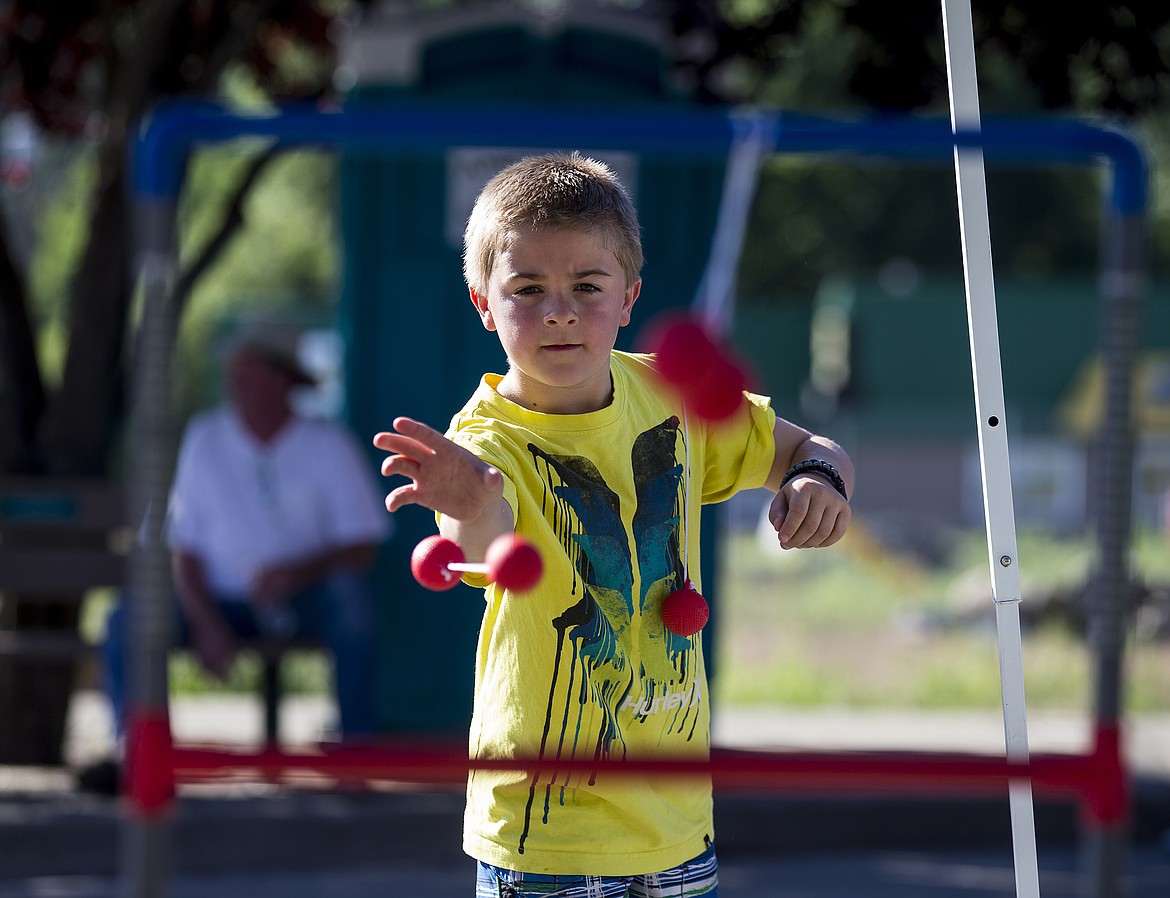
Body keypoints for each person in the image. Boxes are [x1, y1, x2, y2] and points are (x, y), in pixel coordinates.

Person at [373, 153, 853, 897]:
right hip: (544, 834)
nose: (558, 310)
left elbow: (809, 447)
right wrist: (467, 507)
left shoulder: (672, 393)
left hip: (676, 819)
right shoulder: (482, 443)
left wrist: (816, 481)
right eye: (527, 289)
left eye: (586, 288)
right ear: (482, 302)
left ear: (629, 296)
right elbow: (485, 546)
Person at [80, 316, 390, 794]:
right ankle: (137, 755)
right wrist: (205, 622)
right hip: (216, 600)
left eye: (251, 370)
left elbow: (362, 544)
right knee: (129, 618)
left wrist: (295, 573)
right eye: (235, 370)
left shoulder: (328, 443)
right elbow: (181, 546)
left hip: (302, 600)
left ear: (284, 380)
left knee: (351, 600)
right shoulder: (205, 437)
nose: (236, 381)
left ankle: (355, 755)